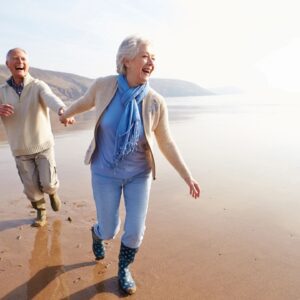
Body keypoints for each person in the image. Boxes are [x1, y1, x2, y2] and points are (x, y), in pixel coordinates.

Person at [60, 35, 200, 295]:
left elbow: (166, 142)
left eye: (154, 58)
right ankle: (96, 233)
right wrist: (65, 114)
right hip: (104, 172)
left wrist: (187, 177)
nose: (151, 62)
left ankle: (124, 269)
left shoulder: (155, 101)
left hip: (139, 174)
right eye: (145, 56)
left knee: (135, 231)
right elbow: (83, 103)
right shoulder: (104, 87)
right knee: (109, 229)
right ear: (127, 60)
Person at [0, 48, 74, 227]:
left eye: (23, 59)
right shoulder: (2, 91)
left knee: (48, 184)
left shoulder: (38, 85)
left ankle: (53, 192)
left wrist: (64, 111)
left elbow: (51, 99)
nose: (20, 62)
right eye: (15, 59)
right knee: (31, 188)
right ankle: (41, 212)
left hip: (43, 145)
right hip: (20, 149)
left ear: (28, 63)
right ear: (8, 65)